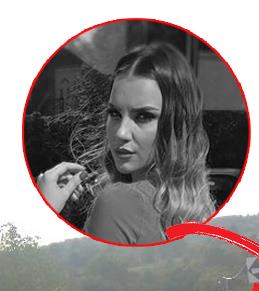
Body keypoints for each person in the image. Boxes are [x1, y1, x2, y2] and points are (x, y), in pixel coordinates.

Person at [35, 42, 214, 244]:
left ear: (177, 124)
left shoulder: (118, 203)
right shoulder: (193, 206)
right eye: (115, 113)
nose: (121, 132)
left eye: (143, 116)